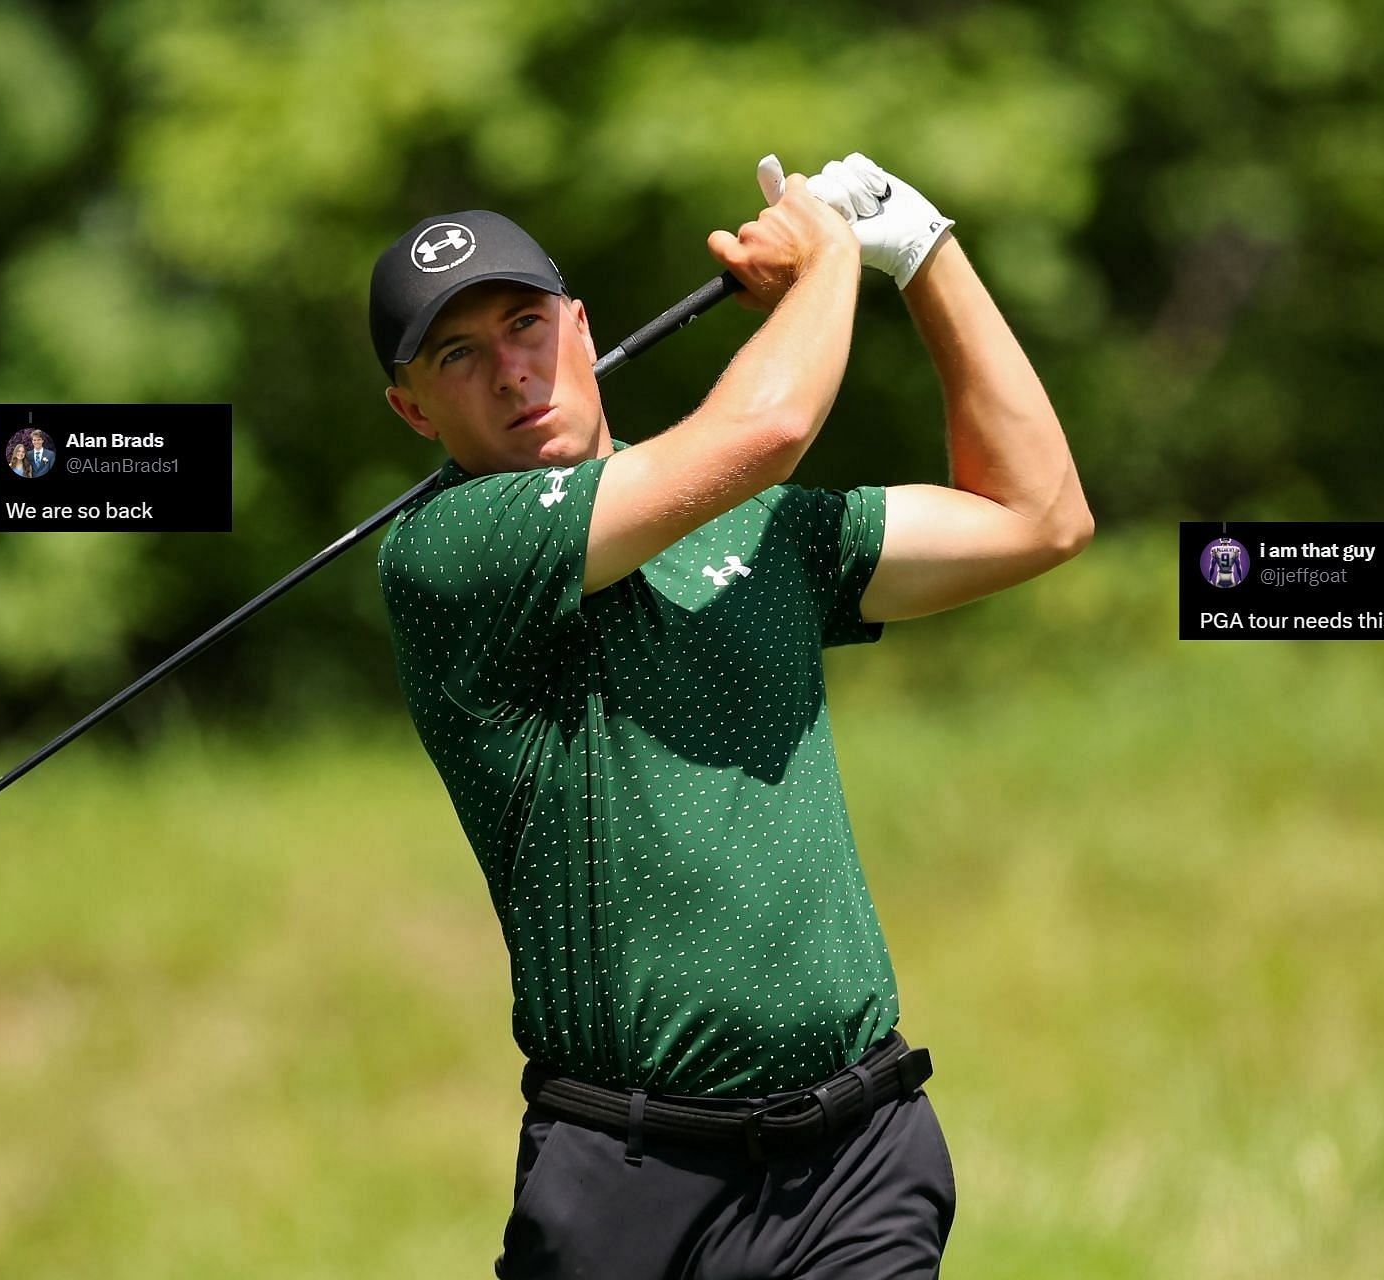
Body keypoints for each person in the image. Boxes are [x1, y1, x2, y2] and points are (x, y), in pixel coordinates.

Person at [371, 152, 1093, 1279]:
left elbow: (1037, 513)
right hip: (630, 1185)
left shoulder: (764, 533)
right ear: (411, 406)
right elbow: (766, 424)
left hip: (857, 1155)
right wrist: (828, 260)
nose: (511, 371)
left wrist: (925, 251)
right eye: (458, 354)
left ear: (581, 324)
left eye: (524, 323)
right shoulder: (449, 553)